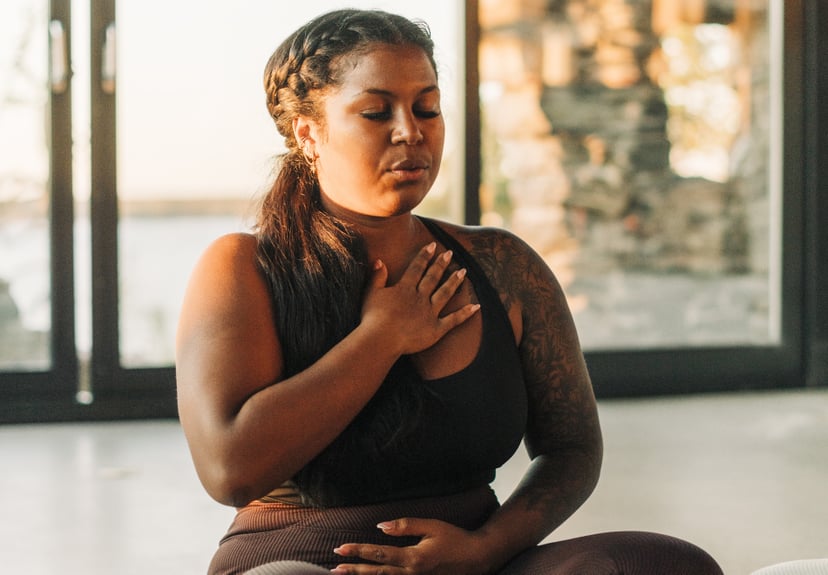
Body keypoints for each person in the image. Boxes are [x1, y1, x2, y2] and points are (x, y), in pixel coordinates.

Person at [175, 9, 724, 575]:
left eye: (427, 108)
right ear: (308, 133)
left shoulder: (503, 264)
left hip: (467, 559)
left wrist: (485, 548)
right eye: (375, 111)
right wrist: (381, 338)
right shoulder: (244, 266)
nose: (410, 130)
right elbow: (229, 471)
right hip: (308, 559)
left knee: (662, 563)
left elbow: (573, 450)